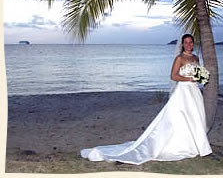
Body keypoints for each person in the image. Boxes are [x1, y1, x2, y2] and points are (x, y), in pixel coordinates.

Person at [80, 34, 212, 165]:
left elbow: (197, 73)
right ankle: (179, 145)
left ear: (193, 43)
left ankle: (193, 145)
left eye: (190, 42)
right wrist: (188, 79)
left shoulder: (195, 57)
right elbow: (173, 76)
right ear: (182, 44)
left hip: (194, 91)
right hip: (183, 91)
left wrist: (200, 78)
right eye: (186, 42)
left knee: (195, 117)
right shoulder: (180, 58)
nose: (188, 44)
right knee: (180, 118)